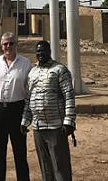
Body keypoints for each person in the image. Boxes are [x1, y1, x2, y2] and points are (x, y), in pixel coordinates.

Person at [21, 40, 76, 181]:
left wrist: (69, 122)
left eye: (43, 50)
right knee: (45, 166)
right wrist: (25, 121)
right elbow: (28, 98)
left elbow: (69, 96)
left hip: (56, 126)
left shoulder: (59, 70)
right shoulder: (32, 72)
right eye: (38, 51)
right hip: (38, 127)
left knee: (60, 166)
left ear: (49, 52)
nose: (41, 53)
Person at [0, 32, 31, 181]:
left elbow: (30, 90)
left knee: (20, 151)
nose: (8, 46)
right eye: (5, 44)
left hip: (18, 110)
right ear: (1, 46)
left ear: (16, 45)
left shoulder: (25, 64)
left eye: (11, 43)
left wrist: (28, 115)